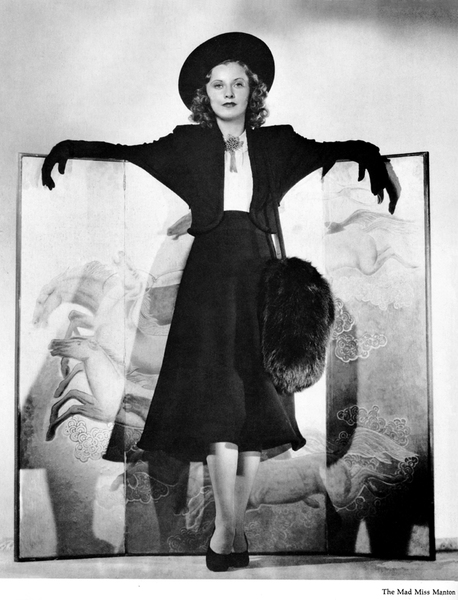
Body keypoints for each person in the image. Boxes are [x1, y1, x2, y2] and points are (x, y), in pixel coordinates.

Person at [41, 32, 400, 571]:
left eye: (238, 84)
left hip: (263, 283)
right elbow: (128, 153)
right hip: (207, 288)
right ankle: (230, 532)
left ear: (252, 92)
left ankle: (226, 534)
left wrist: (370, 155)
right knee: (217, 408)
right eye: (217, 84)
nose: (228, 92)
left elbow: (331, 150)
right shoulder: (187, 146)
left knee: (255, 407)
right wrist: (70, 147)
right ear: (203, 94)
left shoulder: (278, 144)